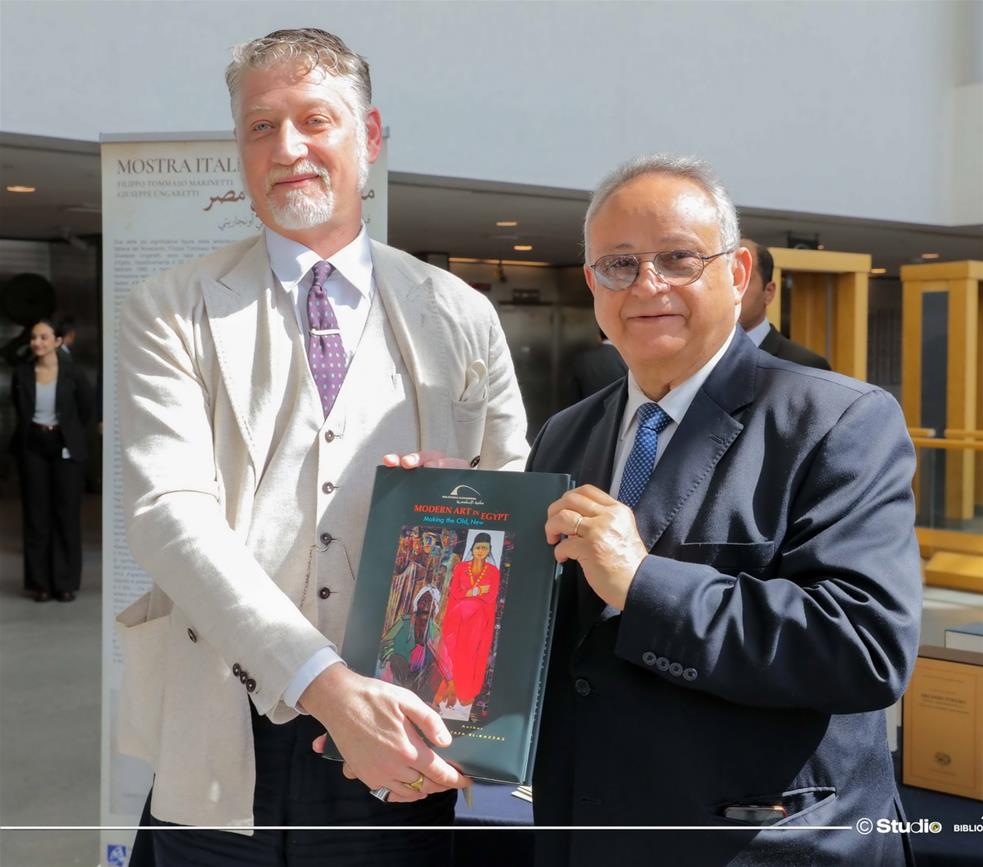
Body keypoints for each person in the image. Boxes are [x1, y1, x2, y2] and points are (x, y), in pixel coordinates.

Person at [116, 27, 528, 866]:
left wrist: (466, 498)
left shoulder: (459, 314)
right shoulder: (170, 308)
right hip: (222, 728)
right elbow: (168, 515)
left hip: (406, 738)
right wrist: (323, 684)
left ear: (368, 136)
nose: (287, 148)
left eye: (314, 120)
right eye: (260, 127)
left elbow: (508, 506)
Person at [528, 154, 921, 866]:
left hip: (756, 842)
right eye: (619, 264)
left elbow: (864, 648)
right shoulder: (565, 432)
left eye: (677, 258)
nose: (647, 285)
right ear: (592, 284)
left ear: (738, 274)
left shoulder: (835, 420)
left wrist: (643, 583)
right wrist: (443, 526)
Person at [10, 317, 93, 602]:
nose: (37, 342)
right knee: (36, 516)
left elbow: (85, 408)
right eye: (34, 337)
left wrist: (68, 433)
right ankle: (40, 584)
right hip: (33, 444)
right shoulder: (22, 373)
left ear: (57, 341)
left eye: (43, 337)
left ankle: (64, 582)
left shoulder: (73, 373)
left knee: (66, 514)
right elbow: (20, 409)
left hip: (65, 445)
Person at [433, 532, 501, 714]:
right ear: (472, 548)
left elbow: (491, 596)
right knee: (451, 652)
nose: (480, 551)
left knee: (470, 655)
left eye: (484, 548)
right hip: (458, 618)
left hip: (478, 622)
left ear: (489, 550)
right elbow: (455, 592)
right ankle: (440, 693)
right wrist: (476, 591)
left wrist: (469, 592)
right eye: (478, 547)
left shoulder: (493, 571)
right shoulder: (461, 568)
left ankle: (464, 693)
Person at [738, 238, 831, 370]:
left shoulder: (805, 366)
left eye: (742, 279)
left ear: (769, 292)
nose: (730, 290)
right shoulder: (707, 356)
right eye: (725, 279)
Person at [568, 328, 627, 403]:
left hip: (589, 406)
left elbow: (574, 393)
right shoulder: (626, 355)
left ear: (599, 336)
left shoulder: (581, 358)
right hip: (618, 406)